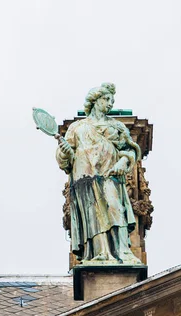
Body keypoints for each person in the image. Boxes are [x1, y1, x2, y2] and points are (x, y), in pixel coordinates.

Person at [55, 83, 142, 264]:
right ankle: (100, 253)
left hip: (110, 174)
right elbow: (64, 159)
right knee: (93, 214)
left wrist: (123, 161)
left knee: (115, 207)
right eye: (106, 99)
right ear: (95, 100)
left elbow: (130, 149)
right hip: (84, 176)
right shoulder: (77, 127)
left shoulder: (116, 126)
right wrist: (64, 151)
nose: (110, 104)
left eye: (112, 100)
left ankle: (122, 252)